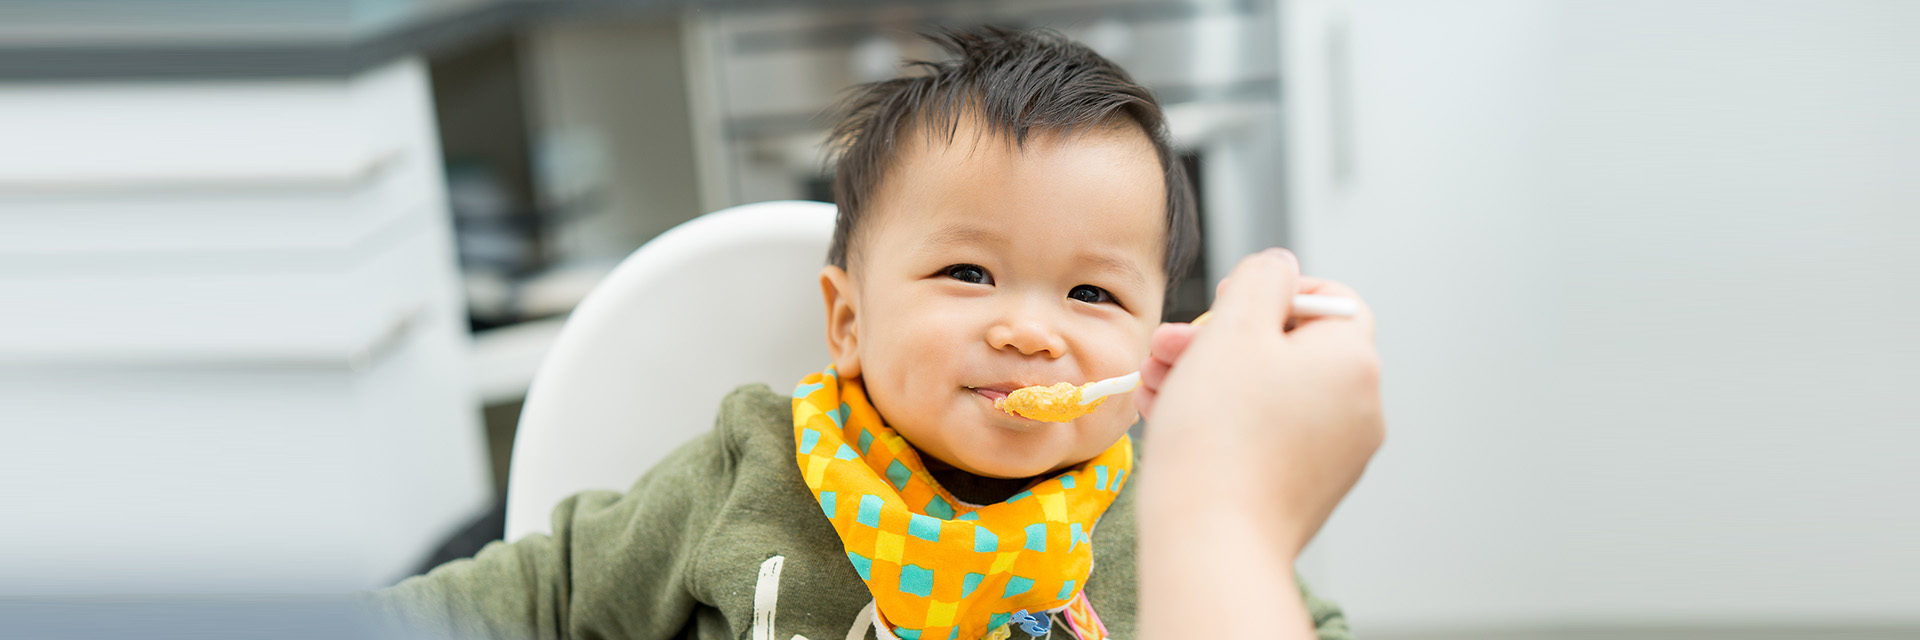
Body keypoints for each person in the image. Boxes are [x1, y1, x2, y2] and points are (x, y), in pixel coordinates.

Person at [364, 27, 1360, 640]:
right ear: (848, 321)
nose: (1026, 330)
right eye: (969, 274)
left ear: (1156, 341)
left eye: (1093, 295)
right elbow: (530, 596)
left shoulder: (1175, 505)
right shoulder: (751, 466)